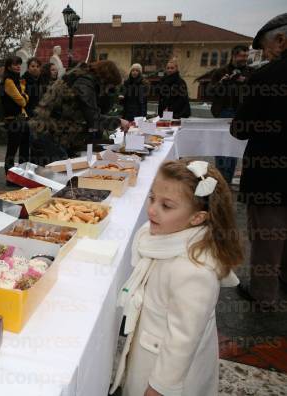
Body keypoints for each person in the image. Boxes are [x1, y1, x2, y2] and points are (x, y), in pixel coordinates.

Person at [110, 159, 243, 396]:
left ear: (197, 218)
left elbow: (183, 340)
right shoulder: (165, 238)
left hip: (166, 370)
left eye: (166, 206)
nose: (152, 210)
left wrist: (160, 387)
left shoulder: (194, 271)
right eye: (152, 199)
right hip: (148, 348)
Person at [230, 13, 287, 304]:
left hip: (271, 175)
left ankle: (264, 293)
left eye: (265, 48)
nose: (264, 55)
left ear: (280, 40)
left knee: (267, 233)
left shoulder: (267, 76)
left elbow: (240, 129)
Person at [30, 61, 130, 165]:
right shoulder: (85, 83)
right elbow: (93, 119)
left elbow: (97, 110)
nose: (108, 90)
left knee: (62, 173)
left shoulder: (85, 79)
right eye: (110, 86)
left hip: (51, 133)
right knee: (59, 174)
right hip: (48, 134)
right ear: (106, 79)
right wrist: (119, 121)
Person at [210, 45, 253, 184]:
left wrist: (245, 82)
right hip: (222, 112)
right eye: (242, 56)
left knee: (232, 147)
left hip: (239, 113)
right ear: (234, 56)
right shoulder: (220, 72)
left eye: (246, 56)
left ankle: (226, 181)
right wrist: (222, 82)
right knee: (220, 146)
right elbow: (210, 91)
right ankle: (219, 179)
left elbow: (256, 92)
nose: (244, 59)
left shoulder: (250, 73)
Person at [0, 56, 30, 175]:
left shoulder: (16, 80)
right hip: (13, 120)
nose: (18, 66)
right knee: (12, 150)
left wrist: (24, 95)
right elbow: (22, 101)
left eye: (19, 64)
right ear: (9, 66)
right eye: (15, 64)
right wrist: (25, 96)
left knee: (24, 149)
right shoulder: (8, 81)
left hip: (21, 118)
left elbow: (22, 96)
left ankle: (23, 174)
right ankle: (9, 175)